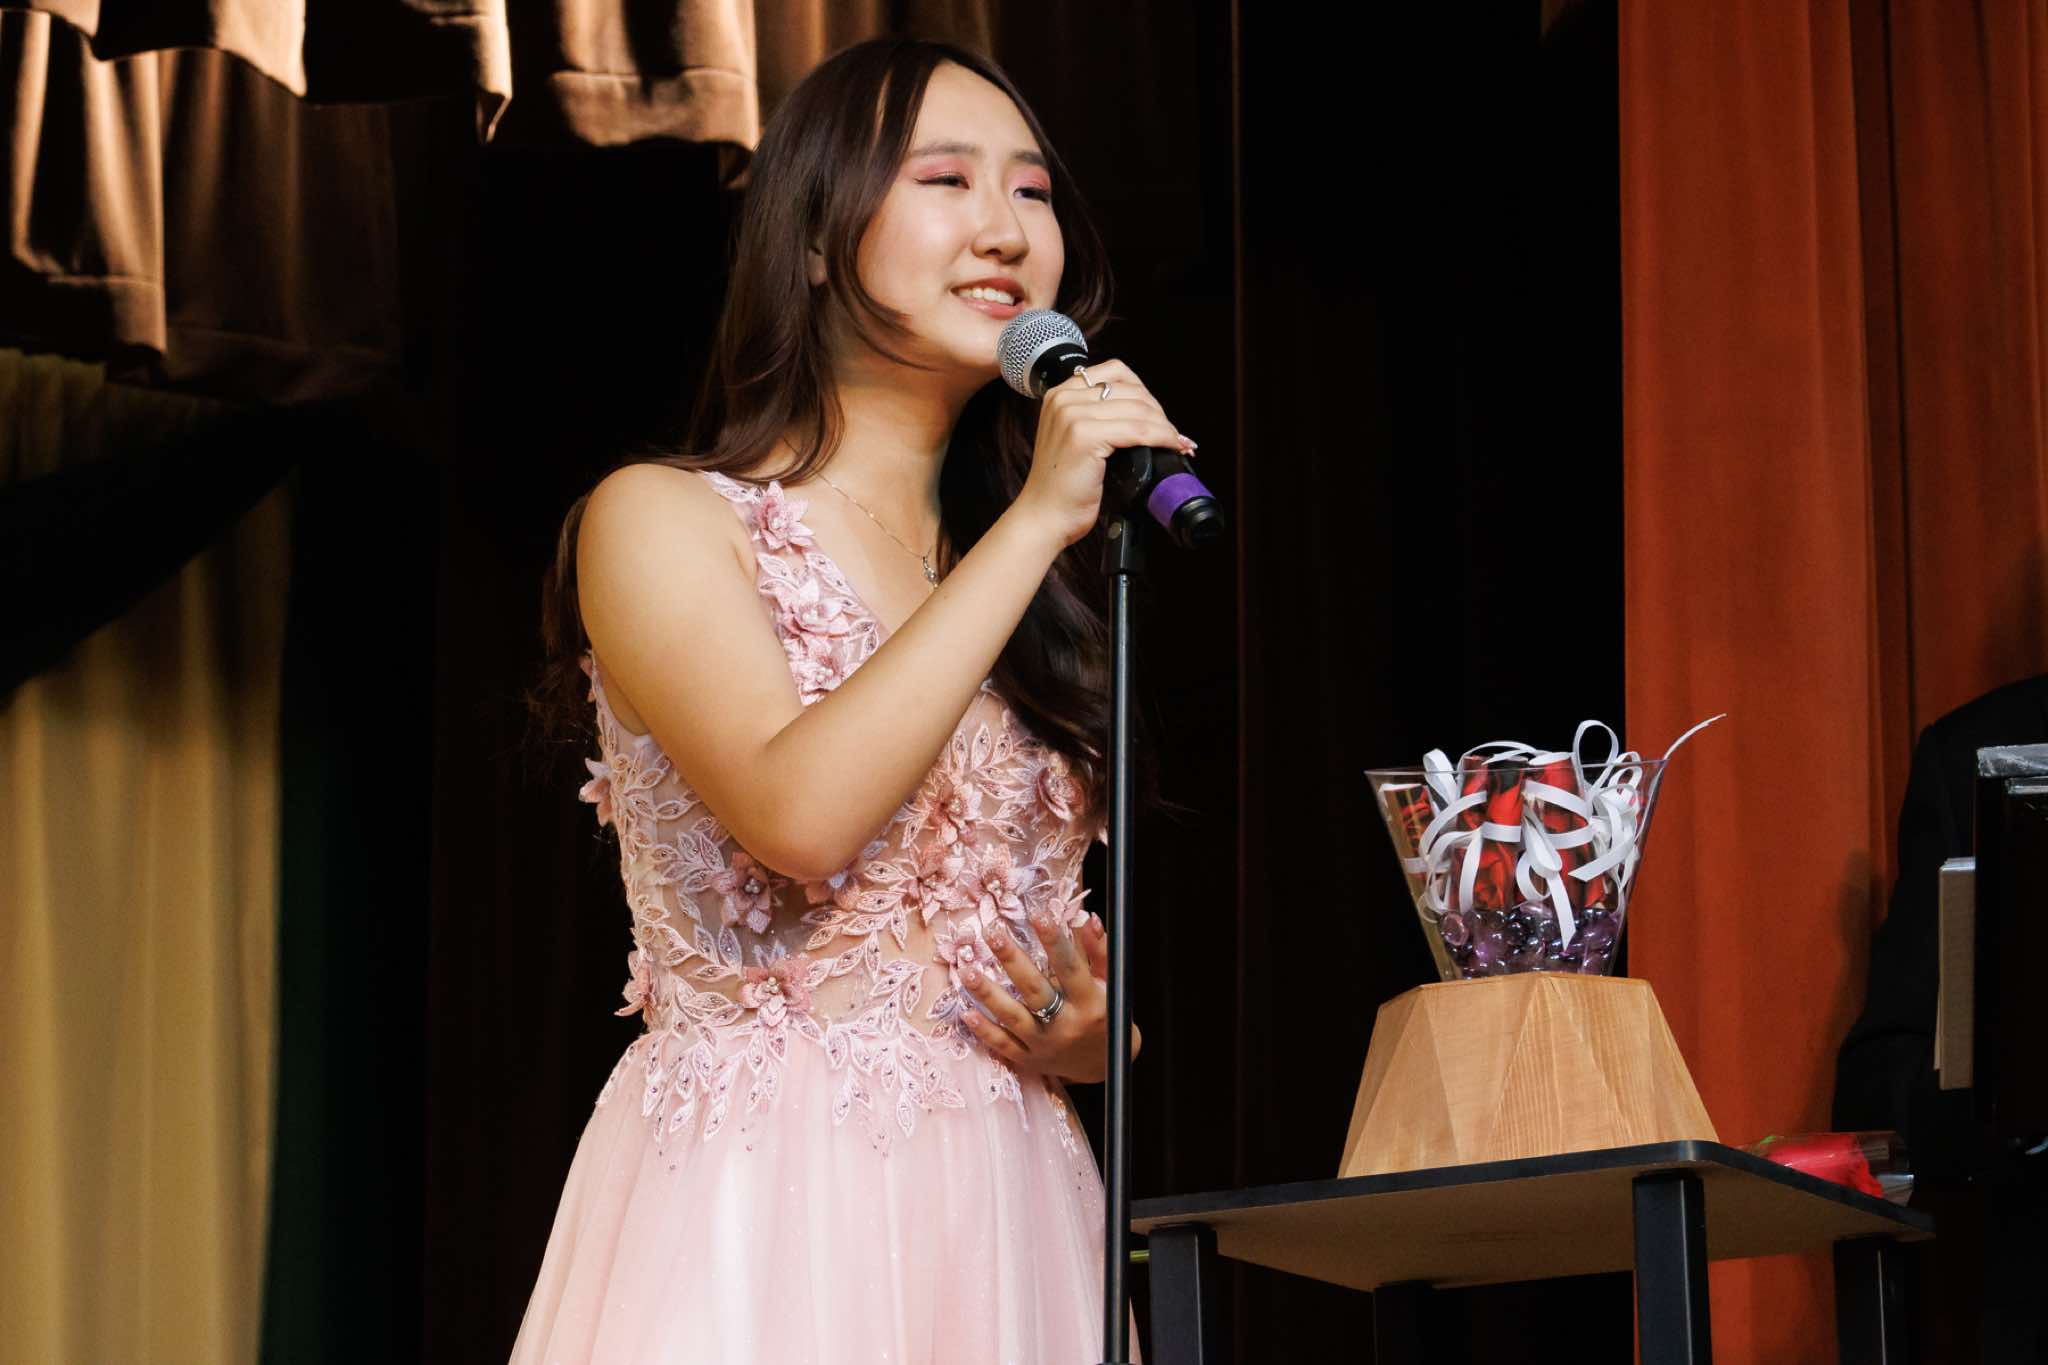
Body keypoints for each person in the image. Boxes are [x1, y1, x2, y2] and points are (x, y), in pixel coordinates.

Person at [510, 36, 1186, 1364]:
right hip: (767, 1206)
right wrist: (1037, 521)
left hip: (1007, 1215)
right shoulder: (664, 519)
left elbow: (1003, 931)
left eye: (1032, 191)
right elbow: (800, 815)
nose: (1005, 230)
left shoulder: (1023, 583)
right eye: (946, 180)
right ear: (817, 239)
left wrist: (1098, 1037)